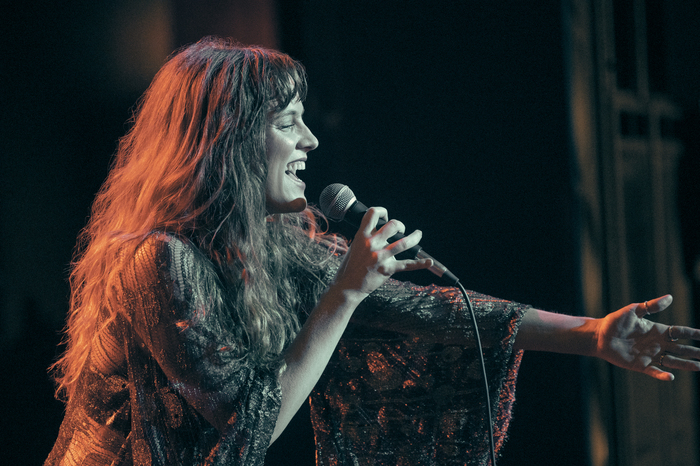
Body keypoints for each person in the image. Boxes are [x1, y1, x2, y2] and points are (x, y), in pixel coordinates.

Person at [45, 37, 700, 466]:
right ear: (228, 141)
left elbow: (429, 309)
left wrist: (594, 334)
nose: (310, 140)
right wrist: (345, 293)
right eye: (286, 123)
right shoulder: (157, 258)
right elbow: (249, 427)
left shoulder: (273, 245)